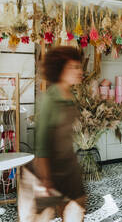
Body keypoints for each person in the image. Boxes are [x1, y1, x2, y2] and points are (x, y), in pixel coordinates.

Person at [18, 46, 85, 222]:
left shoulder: (71, 94)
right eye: (74, 67)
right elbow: (42, 143)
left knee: (77, 209)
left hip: (68, 165)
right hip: (48, 168)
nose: (80, 71)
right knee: (42, 216)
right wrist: (46, 178)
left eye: (79, 66)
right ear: (60, 69)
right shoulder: (50, 98)